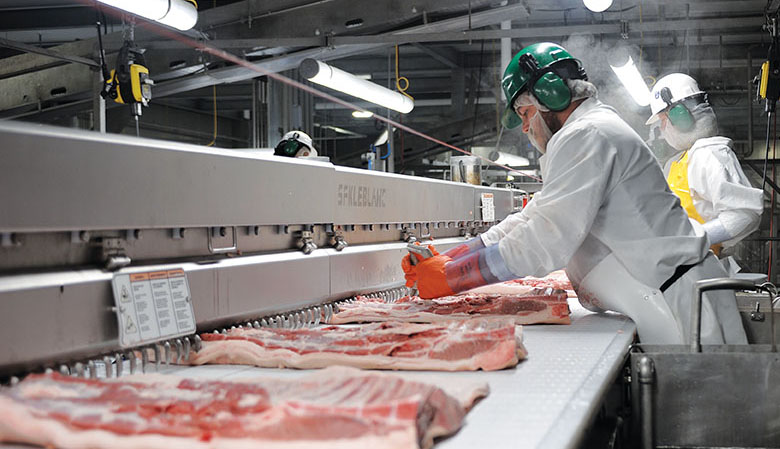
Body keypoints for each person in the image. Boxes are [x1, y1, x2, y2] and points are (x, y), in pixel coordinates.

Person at [402, 42, 747, 345]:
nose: (525, 127)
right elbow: (535, 214)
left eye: (525, 113)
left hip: (680, 306)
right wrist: (453, 256)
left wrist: (452, 277)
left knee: (699, 399)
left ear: (549, 95)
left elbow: (545, 236)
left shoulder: (588, 134)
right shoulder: (588, 132)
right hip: (665, 297)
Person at [646, 73, 763, 263]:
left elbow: (744, 214)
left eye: (663, 120)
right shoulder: (679, 162)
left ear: (680, 116)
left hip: (703, 267)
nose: (662, 129)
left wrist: (693, 240)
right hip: (681, 265)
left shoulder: (710, 154)